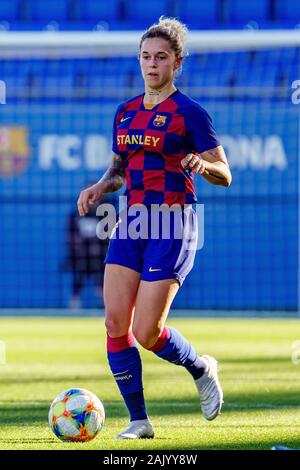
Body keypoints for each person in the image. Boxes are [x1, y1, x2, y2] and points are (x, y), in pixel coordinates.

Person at [77, 17, 232, 439]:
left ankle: (199, 366)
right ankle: (139, 421)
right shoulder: (125, 113)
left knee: (147, 331)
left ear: (176, 63)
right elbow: (118, 171)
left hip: (173, 223)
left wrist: (204, 165)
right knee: (114, 322)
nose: (151, 64)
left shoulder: (190, 113)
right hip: (131, 223)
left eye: (161, 57)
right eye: (146, 56)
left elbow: (225, 172)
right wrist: (98, 186)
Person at [66, 197, 110, 309]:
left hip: (98, 256)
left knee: (101, 278)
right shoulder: (76, 215)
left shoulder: (104, 214)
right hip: (81, 256)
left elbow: (107, 236)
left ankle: (105, 303)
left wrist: (98, 247)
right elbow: (71, 236)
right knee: (79, 276)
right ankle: (75, 302)